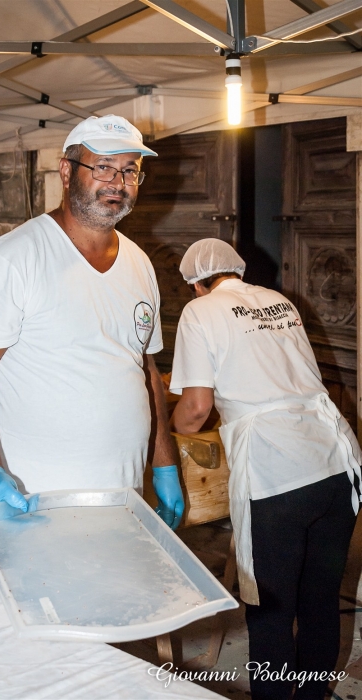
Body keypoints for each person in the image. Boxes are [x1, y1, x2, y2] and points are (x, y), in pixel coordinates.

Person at [0, 115, 184, 587]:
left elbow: (144, 368)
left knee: (107, 647)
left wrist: (164, 460)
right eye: (103, 167)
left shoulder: (140, 264)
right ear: (67, 171)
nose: (119, 183)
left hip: (119, 504)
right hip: (33, 509)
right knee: (31, 655)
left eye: (130, 171)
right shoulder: (11, 260)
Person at [169, 238, 361, 700]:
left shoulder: (201, 312)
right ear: (237, 271)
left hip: (278, 475)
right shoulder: (277, 301)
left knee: (271, 610)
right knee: (319, 601)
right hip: (335, 464)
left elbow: (195, 409)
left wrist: (170, 432)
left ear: (196, 285)